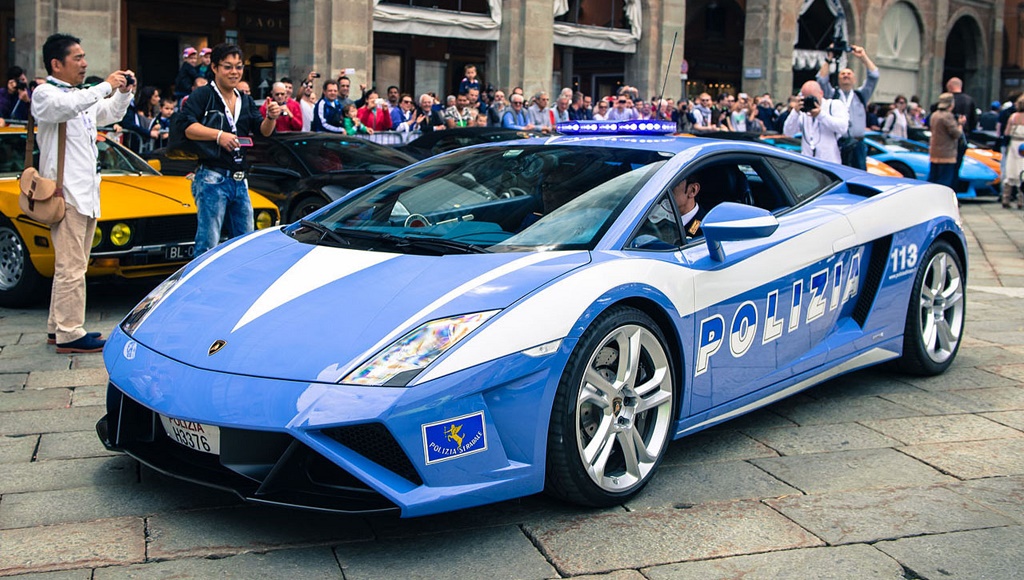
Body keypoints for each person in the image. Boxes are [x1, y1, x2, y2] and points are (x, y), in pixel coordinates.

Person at [33, 33, 135, 353]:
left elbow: (108, 114)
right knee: (71, 267)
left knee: (73, 263)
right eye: (77, 58)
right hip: (66, 194)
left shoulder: (81, 95)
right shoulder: (45, 93)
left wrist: (123, 93)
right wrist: (105, 85)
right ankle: (70, 332)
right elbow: (69, 106)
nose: (84, 63)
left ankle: (56, 327)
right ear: (56, 64)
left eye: (83, 56)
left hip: (85, 193)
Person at [181, 43, 280, 255]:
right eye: (228, 67)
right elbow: (187, 127)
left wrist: (271, 117)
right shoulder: (203, 95)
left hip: (240, 178)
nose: (234, 72)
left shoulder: (245, 99)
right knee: (208, 243)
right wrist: (218, 136)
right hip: (211, 176)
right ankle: (201, 286)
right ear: (215, 68)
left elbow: (263, 131)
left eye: (238, 67)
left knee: (245, 241)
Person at [817, 44, 879, 170]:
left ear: (854, 79)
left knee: (859, 176)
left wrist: (863, 57)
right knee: (836, 174)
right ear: (838, 79)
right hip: (837, 143)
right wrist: (829, 58)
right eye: (842, 74)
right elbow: (821, 80)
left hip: (858, 144)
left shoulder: (861, 95)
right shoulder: (832, 95)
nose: (846, 75)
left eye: (849, 74)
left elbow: (874, 76)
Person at [783, 80, 849, 164]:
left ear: (821, 93)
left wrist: (821, 115)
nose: (810, 101)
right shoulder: (802, 112)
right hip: (808, 163)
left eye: (812, 97)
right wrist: (795, 112)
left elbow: (842, 128)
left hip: (829, 162)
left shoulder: (834, 105)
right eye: (806, 98)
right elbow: (788, 132)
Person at [927, 92, 965, 189]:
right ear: (951, 104)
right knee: (945, 182)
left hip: (935, 153)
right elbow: (956, 134)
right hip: (947, 154)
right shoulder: (948, 116)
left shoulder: (934, 115)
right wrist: (960, 124)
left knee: (933, 179)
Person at [999, 95, 1024, 209]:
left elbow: (1007, 132)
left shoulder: (1013, 117)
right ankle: (1021, 200)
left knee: (1011, 170)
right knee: (1022, 171)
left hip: (1014, 145)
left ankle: (1006, 198)